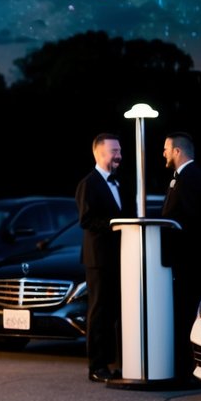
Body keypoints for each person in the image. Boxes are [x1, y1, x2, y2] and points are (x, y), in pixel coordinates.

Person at [160, 132, 201, 384]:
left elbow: (190, 221)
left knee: (187, 313)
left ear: (177, 151)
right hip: (190, 258)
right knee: (186, 311)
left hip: (189, 260)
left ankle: (188, 369)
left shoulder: (190, 179)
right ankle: (186, 367)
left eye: (165, 149)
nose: (163, 153)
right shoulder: (187, 178)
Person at [75, 133, 133, 384]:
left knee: (119, 313)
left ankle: (121, 363)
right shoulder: (88, 183)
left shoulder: (121, 183)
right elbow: (86, 220)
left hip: (122, 258)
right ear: (98, 154)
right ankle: (96, 366)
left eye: (119, 150)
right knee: (99, 312)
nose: (118, 155)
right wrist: (116, 225)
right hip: (99, 260)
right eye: (113, 151)